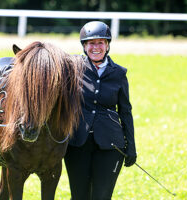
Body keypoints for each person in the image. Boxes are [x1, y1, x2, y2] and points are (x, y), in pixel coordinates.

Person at [64, 21, 137, 200]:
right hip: (77, 143)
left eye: (100, 43)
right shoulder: (72, 67)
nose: (96, 47)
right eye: (91, 43)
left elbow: (125, 111)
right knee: (79, 196)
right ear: (84, 46)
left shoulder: (119, 73)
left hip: (111, 144)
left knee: (102, 196)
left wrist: (131, 146)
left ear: (107, 45)